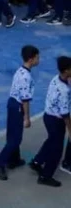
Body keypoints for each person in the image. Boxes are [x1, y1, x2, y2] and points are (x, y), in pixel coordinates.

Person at [0, 45, 39, 180]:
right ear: (31, 59)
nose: (38, 60)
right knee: (15, 138)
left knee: (13, 134)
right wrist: (26, 118)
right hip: (18, 106)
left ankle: (14, 159)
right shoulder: (26, 77)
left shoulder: (20, 71)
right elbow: (25, 99)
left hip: (12, 103)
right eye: (37, 57)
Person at [29, 56, 71, 187]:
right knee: (56, 150)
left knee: (51, 141)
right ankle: (45, 176)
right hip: (56, 121)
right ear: (66, 71)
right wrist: (70, 130)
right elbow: (65, 115)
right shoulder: (64, 90)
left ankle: (37, 161)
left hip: (48, 116)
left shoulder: (56, 79)